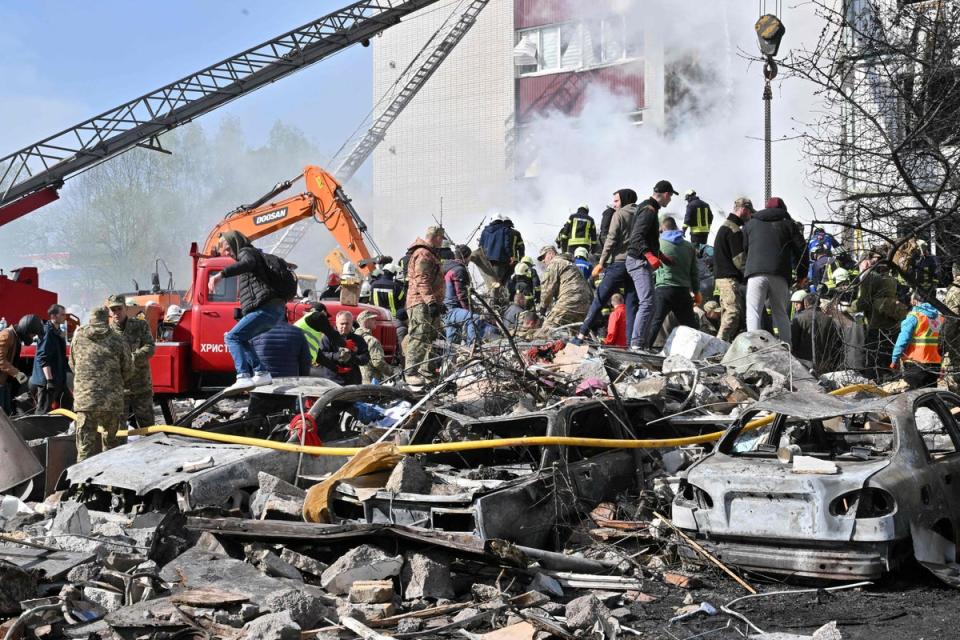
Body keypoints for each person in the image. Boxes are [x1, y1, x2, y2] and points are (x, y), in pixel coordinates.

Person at [208, 230, 286, 391]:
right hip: (274, 310)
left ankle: (243, 376)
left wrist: (220, 275)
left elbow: (247, 263)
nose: (229, 254)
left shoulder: (246, 252)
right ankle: (261, 372)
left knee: (232, 337)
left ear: (236, 242)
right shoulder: (253, 255)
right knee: (241, 339)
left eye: (229, 249)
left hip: (267, 308)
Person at [577, 188, 641, 343]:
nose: (614, 204)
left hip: (618, 263)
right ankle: (632, 343)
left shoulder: (619, 214)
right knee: (631, 305)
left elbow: (611, 240)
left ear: (625, 200)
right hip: (636, 264)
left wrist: (601, 262)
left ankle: (580, 335)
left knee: (599, 299)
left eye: (617, 200)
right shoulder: (642, 214)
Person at [70, 307, 132, 461]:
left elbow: (73, 364)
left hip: (86, 401)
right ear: (107, 318)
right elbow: (128, 368)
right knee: (111, 447)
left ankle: (82, 484)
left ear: (91, 318)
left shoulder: (78, 336)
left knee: (84, 448)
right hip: (111, 401)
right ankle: (110, 484)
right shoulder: (117, 338)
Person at [742, 197, 806, 343]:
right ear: (783, 209)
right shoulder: (789, 225)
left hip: (755, 273)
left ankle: (754, 348)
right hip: (779, 273)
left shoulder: (750, 224)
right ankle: (787, 348)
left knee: (753, 311)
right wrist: (801, 275)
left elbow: (744, 248)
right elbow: (802, 250)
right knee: (780, 313)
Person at [626, 180, 678, 348]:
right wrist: (650, 256)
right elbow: (637, 237)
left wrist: (661, 257)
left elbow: (648, 239)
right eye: (670, 197)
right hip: (638, 261)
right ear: (666, 194)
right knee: (648, 302)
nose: (669, 201)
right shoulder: (649, 210)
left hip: (639, 260)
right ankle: (637, 345)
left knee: (649, 303)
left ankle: (640, 343)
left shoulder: (650, 208)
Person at [854, 246, 908, 378]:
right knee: (887, 359)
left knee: (873, 362)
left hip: (877, 326)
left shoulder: (871, 277)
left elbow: (864, 303)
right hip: (893, 325)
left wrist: (846, 307)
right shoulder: (891, 279)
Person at [645, 216, 700, 345]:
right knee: (691, 326)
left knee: (655, 322)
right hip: (683, 291)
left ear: (662, 228)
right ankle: (698, 349)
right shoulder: (689, 246)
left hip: (664, 289)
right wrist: (696, 292)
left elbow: (651, 269)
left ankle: (644, 349)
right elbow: (694, 273)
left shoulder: (658, 244)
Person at [107, 294, 156, 428]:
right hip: (119, 388)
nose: (116, 313)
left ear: (126, 308)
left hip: (141, 385)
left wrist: (131, 358)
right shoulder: (107, 332)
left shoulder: (140, 325)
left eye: (119, 309)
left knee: (147, 427)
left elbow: (150, 347)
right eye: (113, 310)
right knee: (118, 430)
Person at [405, 226, 445, 384]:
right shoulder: (424, 254)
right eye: (441, 238)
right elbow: (422, 280)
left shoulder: (429, 254)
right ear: (436, 237)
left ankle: (426, 373)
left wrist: (437, 303)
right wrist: (431, 301)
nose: (442, 242)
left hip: (427, 302)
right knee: (419, 336)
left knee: (430, 338)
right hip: (420, 303)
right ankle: (411, 372)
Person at [713, 197, 752, 342]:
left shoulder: (725, 227)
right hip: (729, 278)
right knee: (733, 312)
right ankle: (719, 343)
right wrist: (748, 274)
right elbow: (739, 259)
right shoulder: (734, 230)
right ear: (743, 210)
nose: (749, 216)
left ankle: (722, 344)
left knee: (726, 312)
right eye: (749, 213)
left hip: (721, 277)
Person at [891, 290, 943, 389]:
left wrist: (895, 359)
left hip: (915, 363)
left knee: (916, 397)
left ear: (915, 301)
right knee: (930, 394)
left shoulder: (914, 317)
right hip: (935, 363)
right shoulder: (939, 318)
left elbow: (903, 340)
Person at [537, 245, 592, 332]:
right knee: (574, 333)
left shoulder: (555, 263)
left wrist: (542, 309)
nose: (543, 261)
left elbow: (547, 289)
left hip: (570, 299)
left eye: (543, 257)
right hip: (585, 303)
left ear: (551, 253)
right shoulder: (571, 264)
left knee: (547, 328)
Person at [30, 304, 70, 413]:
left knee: (68, 404)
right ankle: (36, 429)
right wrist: (49, 380)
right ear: (53, 316)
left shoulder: (56, 331)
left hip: (58, 378)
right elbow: (43, 357)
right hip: (48, 381)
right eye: (62, 314)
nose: (64, 317)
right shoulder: (47, 331)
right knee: (43, 410)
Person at [0, 315, 43, 415]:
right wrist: (16, 373)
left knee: (7, 413)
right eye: (32, 335)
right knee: (2, 417)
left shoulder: (15, 336)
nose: (33, 338)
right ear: (26, 330)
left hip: (4, 383)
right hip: (1, 383)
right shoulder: (7, 335)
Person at [791, 293, 843, 373]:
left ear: (805, 304)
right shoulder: (830, 320)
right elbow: (836, 342)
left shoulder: (799, 318)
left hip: (805, 362)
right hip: (826, 362)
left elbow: (793, 341)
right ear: (819, 303)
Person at [318, 311, 370, 385]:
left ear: (352, 324)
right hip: (332, 380)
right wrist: (338, 356)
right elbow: (321, 355)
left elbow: (366, 358)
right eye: (342, 323)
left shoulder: (358, 339)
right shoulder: (327, 338)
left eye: (347, 323)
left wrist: (351, 358)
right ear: (336, 323)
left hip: (353, 381)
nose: (345, 326)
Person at [443, 245, 480, 346]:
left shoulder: (448, 268)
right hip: (452, 309)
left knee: (452, 344)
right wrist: (469, 310)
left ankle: (449, 360)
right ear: (466, 257)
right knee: (474, 318)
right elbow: (461, 295)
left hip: (445, 309)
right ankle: (472, 349)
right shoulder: (459, 270)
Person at [479, 215, 518, 287]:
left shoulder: (485, 231)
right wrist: (511, 256)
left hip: (487, 261)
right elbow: (507, 245)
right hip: (500, 261)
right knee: (498, 283)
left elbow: (480, 246)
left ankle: (493, 296)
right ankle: (498, 297)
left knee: (491, 283)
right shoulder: (504, 230)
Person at [357, 310, 393, 384]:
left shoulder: (354, 338)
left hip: (357, 379)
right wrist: (391, 371)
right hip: (371, 381)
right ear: (366, 322)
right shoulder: (371, 340)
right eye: (372, 319)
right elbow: (378, 362)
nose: (375, 321)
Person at [942, 264, 960, 393]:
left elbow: (952, 319)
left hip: (957, 343)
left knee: (954, 378)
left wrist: (944, 342)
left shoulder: (955, 291)